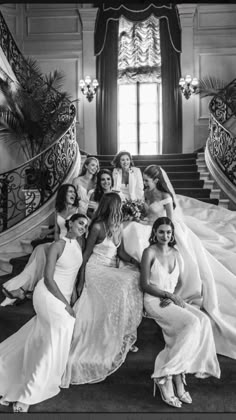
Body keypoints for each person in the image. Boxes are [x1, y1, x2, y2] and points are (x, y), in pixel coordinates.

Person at [122, 164, 236, 361]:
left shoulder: (165, 197)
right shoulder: (147, 195)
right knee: (131, 228)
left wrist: (158, 229)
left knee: (143, 236)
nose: (145, 184)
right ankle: (137, 261)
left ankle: (170, 282)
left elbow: (169, 221)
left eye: (148, 181)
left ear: (156, 180)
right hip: (152, 227)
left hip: (164, 230)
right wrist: (138, 216)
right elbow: (147, 215)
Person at [0, 213, 88, 412]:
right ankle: (27, 394)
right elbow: (48, 278)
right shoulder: (58, 245)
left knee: (43, 334)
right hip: (48, 294)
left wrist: (72, 299)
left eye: (86, 225)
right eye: (80, 223)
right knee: (62, 327)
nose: (83, 227)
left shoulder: (79, 245)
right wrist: (66, 304)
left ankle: (7, 367)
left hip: (63, 295)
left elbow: (72, 276)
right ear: (70, 223)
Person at [61, 192, 143, 387]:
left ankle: (121, 332)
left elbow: (120, 252)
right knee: (123, 285)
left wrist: (135, 261)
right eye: (119, 204)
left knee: (133, 277)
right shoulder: (97, 227)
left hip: (109, 269)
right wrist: (80, 281)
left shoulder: (117, 227)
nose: (121, 207)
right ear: (112, 206)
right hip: (95, 270)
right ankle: (113, 334)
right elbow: (86, 254)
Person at [140, 216, 220, 408]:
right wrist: (168, 295)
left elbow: (181, 282)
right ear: (154, 233)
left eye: (168, 232)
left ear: (172, 234)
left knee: (204, 321)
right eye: (161, 232)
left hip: (170, 300)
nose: (165, 235)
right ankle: (165, 375)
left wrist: (173, 296)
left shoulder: (176, 253)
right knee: (192, 324)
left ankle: (176, 373)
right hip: (153, 300)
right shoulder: (149, 252)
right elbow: (144, 284)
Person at [1, 183, 81, 307]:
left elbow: (80, 231)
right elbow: (57, 232)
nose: (73, 194)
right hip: (58, 243)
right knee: (39, 249)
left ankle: (22, 289)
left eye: (74, 192)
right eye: (70, 192)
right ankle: (23, 288)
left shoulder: (77, 209)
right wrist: (55, 245)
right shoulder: (58, 210)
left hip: (69, 245)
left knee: (43, 252)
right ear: (63, 194)